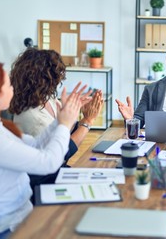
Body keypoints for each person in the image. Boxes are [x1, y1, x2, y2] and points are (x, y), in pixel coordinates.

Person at [0, 61, 86, 238]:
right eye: (8, 84)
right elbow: (48, 163)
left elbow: (36, 145)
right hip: (3, 229)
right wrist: (65, 124)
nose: (13, 88)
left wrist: (59, 120)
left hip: (20, 216)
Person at [8, 48, 103, 192]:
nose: (59, 81)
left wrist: (76, 113)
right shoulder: (32, 116)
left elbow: (64, 130)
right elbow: (62, 153)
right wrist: (88, 121)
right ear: (44, 79)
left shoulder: (48, 99)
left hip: (57, 172)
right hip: (44, 181)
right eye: (56, 76)